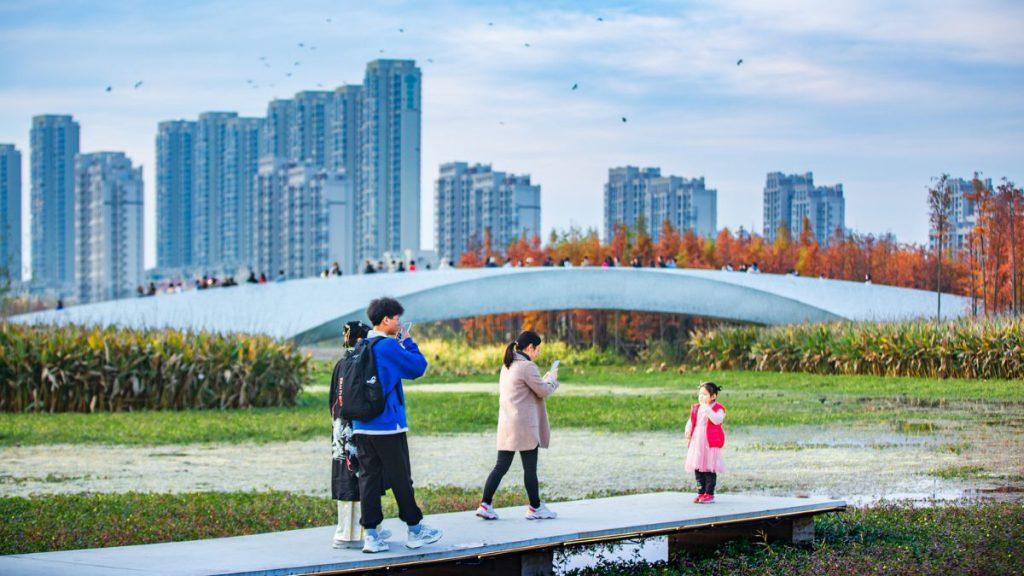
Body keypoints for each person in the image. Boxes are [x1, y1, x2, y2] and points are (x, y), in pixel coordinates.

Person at [352, 297, 442, 553]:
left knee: (368, 478)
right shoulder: (387, 347)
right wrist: (407, 340)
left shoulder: (360, 345)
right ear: (386, 320)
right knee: (401, 477)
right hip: (387, 425)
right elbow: (418, 367)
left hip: (362, 424)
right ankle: (414, 530)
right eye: (397, 319)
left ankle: (371, 535)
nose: (399, 323)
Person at [476, 331, 560, 521]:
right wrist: (552, 378)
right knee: (530, 469)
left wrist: (544, 378)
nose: (538, 353)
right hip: (524, 427)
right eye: (537, 349)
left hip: (508, 424)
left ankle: (485, 504)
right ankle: (535, 508)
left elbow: (532, 387)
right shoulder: (527, 366)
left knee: (500, 467)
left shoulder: (507, 365)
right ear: (530, 347)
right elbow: (543, 390)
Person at [329, 320, 388, 549]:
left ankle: (345, 531)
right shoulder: (363, 362)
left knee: (346, 475)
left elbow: (333, 402)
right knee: (366, 474)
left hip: (339, 432)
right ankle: (365, 531)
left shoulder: (340, 364)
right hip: (360, 430)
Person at [684, 381, 726, 504]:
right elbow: (691, 421)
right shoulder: (696, 408)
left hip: (710, 442)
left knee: (709, 468)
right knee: (698, 467)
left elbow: (717, 420)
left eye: (705, 394)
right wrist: (687, 432)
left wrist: (707, 409)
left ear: (713, 396)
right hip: (697, 441)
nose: (701, 397)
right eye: (700, 394)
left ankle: (709, 493)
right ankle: (701, 492)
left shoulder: (718, 409)